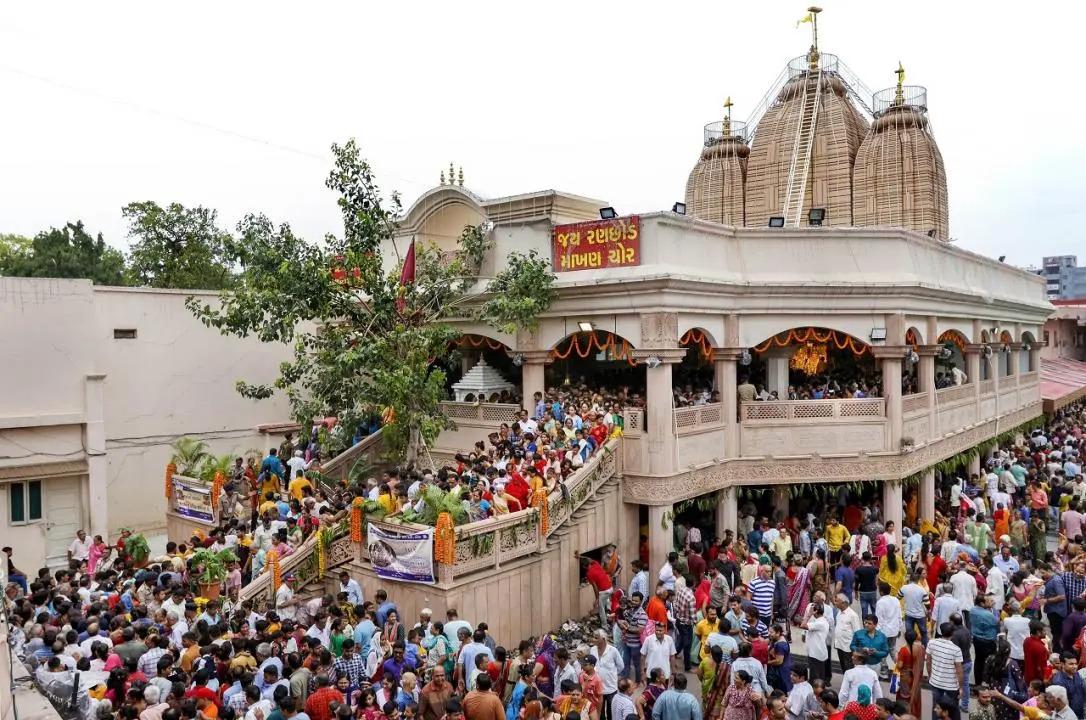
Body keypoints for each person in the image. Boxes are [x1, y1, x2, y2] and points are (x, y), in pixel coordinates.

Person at [927, 621, 966, 720]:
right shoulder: (956, 650)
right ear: (952, 634)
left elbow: (928, 661)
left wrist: (930, 675)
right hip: (951, 686)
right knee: (952, 709)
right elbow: (959, 670)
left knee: (936, 708)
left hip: (935, 682)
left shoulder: (931, 643)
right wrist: (961, 688)